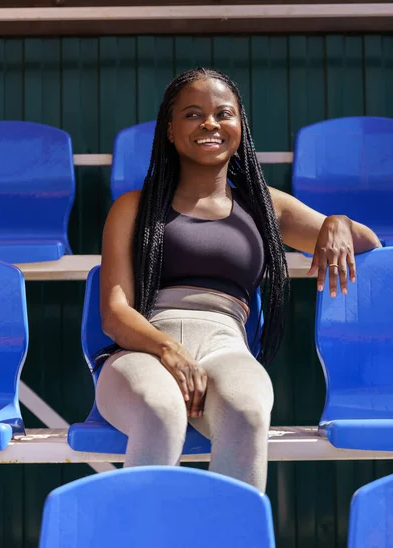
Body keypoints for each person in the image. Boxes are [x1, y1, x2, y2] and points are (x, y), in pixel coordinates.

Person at [95, 68, 381, 491]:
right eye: (193, 114)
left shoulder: (265, 207)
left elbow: (366, 241)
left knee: (247, 414)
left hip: (225, 348)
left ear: (239, 126)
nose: (210, 123)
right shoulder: (133, 207)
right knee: (161, 411)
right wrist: (169, 350)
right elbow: (115, 313)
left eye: (222, 114)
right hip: (145, 351)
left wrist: (336, 222)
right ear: (170, 131)